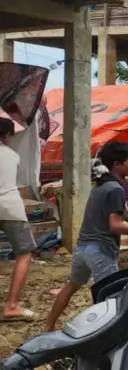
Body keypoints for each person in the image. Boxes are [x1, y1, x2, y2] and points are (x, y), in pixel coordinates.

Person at [45, 141, 128, 332]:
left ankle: (48, 326)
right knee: (114, 298)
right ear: (117, 164)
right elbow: (115, 225)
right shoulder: (115, 189)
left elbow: (126, 215)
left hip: (83, 248)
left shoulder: (103, 184)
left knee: (71, 286)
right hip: (100, 251)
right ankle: (105, 335)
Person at [0, 118, 37, 321]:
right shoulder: (12, 155)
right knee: (23, 254)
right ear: (8, 135)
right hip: (11, 208)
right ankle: (12, 306)